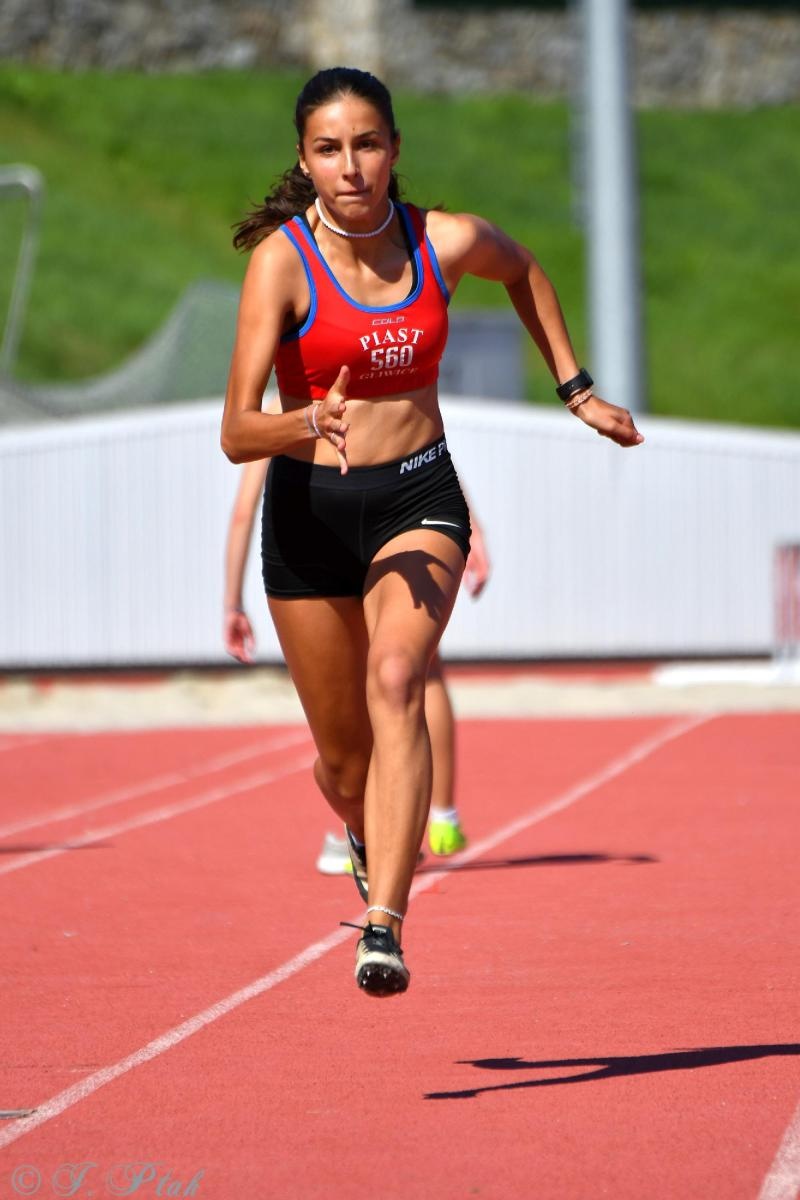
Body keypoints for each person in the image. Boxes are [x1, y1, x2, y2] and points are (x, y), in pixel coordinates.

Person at [220, 67, 643, 998]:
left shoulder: (442, 241)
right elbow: (236, 432)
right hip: (307, 513)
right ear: (305, 160)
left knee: (398, 677)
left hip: (418, 496)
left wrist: (576, 390)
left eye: (367, 144)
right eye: (329, 149)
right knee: (344, 766)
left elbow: (523, 268)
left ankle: (384, 925)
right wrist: (305, 422)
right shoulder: (282, 265)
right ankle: (364, 829)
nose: (351, 166)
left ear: (394, 149)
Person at [222, 420, 491, 865]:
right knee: (418, 675)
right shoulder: (368, 398)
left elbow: (242, 513)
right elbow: (426, 452)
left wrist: (232, 601)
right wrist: (473, 528)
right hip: (402, 530)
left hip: (335, 550)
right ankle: (439, 817)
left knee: (380, 686)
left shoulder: (277, 413)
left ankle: (375, 827)